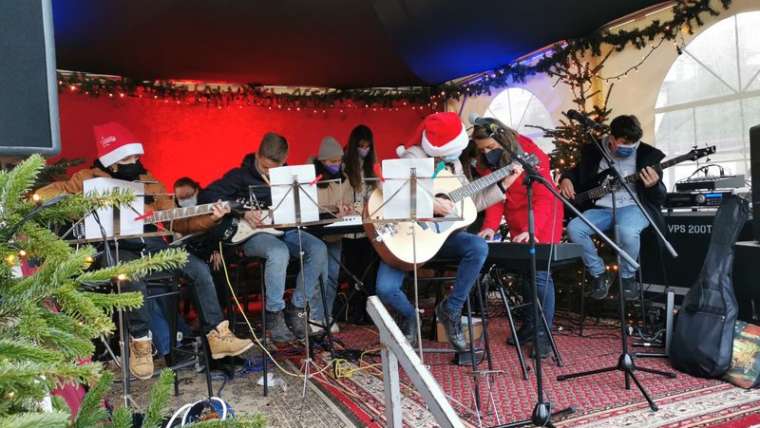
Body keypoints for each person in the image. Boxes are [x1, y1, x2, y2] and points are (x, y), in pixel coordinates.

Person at [36, 122, 253, 380]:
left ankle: (218, 336)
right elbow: (45, 195)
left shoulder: (149, 181)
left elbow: (178, 221)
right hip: (115, 247)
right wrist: (77, 206)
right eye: (129, 158)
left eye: (138, 156)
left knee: (197, 267)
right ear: (113, 161)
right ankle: (140, 344)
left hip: (150, 243)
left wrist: (210, 218)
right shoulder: (86, 179)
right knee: (131, 274)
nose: (136, 162)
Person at [376, 112, 522, 351]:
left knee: (478, 246)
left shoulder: (453, 163)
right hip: (407, 237)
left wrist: (503, 184)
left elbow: (469, 202)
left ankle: (451, 308)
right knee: (386, 288)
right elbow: (389, 190)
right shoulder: (412, 156)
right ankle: (410, 316)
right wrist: (430, 204)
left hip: (442, 238)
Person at [200, 132, 329, 343]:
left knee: (318, 249)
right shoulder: (239, 176)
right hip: (252, 235)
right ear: (258, 155)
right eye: (265, 166)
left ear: (285, 160)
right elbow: (205, 196)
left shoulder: (290, 177)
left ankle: (297, 308)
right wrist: (241, 210)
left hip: (283, 229)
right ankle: (274, 314)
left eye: (274, 169)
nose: (268, 172)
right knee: (279, 252)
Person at [469, 121, 564, 358]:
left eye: (490, 147)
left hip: (543, 215)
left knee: (540, 273)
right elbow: (497, 196)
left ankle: (543, 335)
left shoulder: (532, 155)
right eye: (482, 150)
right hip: (517, 217)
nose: (486, 153)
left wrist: (532, 230)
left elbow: (544, 197)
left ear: (503, 139)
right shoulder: (489, 164)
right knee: (525, 272)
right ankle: (530, 326)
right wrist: (490, 226)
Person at [559, 114, 666, 301]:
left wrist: (654, 185)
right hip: (601, 208)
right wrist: (566, 178)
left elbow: (659, 197)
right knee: (575, 228)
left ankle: (627, 277)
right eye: (624, 144)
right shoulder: (594, 150)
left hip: (633, 207)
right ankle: (599, 274)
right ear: (612, 139)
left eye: (633, 145)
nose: (629, 149)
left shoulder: (648, 155)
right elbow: (576, 172)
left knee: (627, 231)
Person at [308, 136, 355, 333]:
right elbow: (311, 206)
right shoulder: (312, 178)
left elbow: (349, 201)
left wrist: (347, 208)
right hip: (317, 234)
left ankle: (327, 315)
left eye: (339, 161)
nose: (337, 165)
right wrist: (330, 209)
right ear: (322, 161)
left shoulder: (344, 178)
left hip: (336, 234)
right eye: (332, 162)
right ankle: (315, 317)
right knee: (319, 277)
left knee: (333, 277)